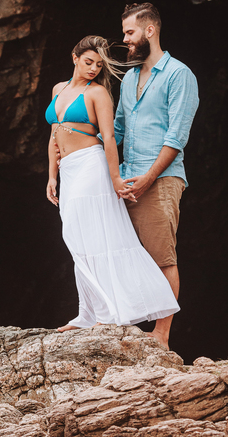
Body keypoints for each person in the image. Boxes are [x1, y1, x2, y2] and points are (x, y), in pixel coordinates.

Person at [46, 35, 180, 335]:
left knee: (89, 237)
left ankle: (108, 312)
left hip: (91, 166)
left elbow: (108, 138)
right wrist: (52, 176)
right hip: (67, 171)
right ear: (74, 57)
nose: (93, 68)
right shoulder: (59, 89)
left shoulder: (98, 94)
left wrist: (116, 178)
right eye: (88, 61)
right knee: (77, 240)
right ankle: (86, 313)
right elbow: (54, 135)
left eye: (99, 65)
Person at [113, 3, 200, 350]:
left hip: (160, 180)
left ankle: (161, 336)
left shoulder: (180, 75)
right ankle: (125, 326)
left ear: (150, 31)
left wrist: (149, 177)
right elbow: (116, 128)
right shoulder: (130, 77)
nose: (125, 40)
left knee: (162, 257)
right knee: (125, 256)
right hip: (125, 181)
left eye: (129, 33)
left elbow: (176, 138)